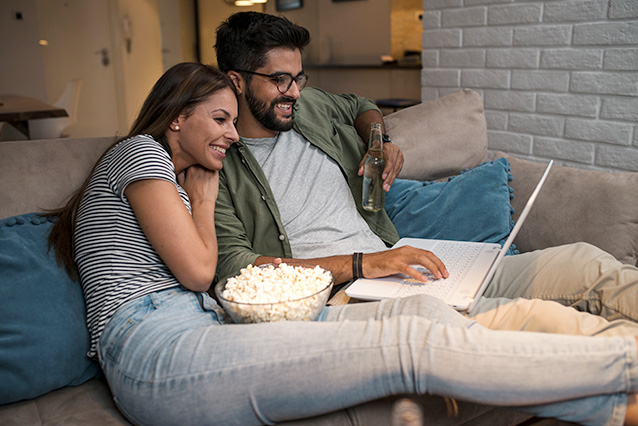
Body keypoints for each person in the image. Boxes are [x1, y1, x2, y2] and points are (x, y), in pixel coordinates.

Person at [42, 62, 638, 426]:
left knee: (424, 319)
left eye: (231, 120)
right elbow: (201, 272)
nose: (230, 135)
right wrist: (203, 194)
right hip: (155, 351)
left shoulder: (167, 171)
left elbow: (359, 110)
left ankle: (616, 405)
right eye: (219, 120)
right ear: (176, 118)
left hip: (204, 328)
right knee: (414, 338)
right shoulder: (141, 155)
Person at [212, 11, 638, 338]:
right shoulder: (218, 165)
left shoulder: (310, 109)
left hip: (397, 264)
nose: (295, 91)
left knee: (586, 262)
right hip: (342, 294)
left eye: (298, 77)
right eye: (280, 80)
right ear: (236, 81)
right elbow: (237, 267)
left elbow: (359, 104)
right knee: (544, 321)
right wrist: (364, 263)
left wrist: (378, 140)